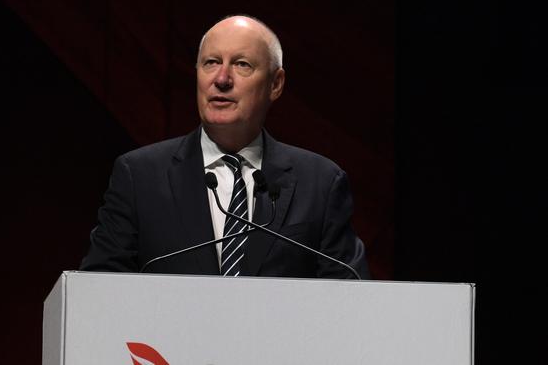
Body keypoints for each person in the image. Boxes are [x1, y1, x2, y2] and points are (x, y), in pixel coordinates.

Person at [80, 15, 370, 279]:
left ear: (276, 84)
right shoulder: (139, 176)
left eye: (242, 64)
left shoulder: (320, 182)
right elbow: (99, 288)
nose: (221, 79)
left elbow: (349, 294)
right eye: (211, 62)